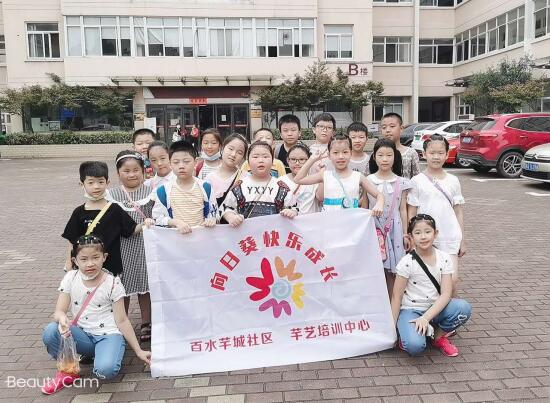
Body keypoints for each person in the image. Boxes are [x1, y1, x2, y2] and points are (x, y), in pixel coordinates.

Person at [41, 235, 151, 394]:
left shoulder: (113, 283)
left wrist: (139, 351)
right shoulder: (70, 278)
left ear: (104, 257)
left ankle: (107, 353)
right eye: (84, 259)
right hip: (83, 334)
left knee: (106, 371)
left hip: (108, 335)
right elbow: (59, 311)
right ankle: (68, 371)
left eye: (95, 257)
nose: (90, 263)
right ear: (75, 260)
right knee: (51, 331)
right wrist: (63, 318)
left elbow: (122, 320)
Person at [391, 214, 471, 357]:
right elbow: (396, 297)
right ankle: (407, 333)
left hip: (435, 308)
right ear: (411, 237)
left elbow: (446, 294)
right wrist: (391, 330)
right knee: (415, 346)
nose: (423, 237)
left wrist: (425, 318)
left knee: (463, 308)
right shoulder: (406, 262)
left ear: (435, 234)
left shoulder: (444, 258)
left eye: (427, 231)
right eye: (417, 233)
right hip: (411, 310)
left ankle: (438, 337)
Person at [62, 161, 146, 276]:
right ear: (82, 184)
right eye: (90, 182)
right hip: (86, 267)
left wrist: (145, 223)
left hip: (111, 268)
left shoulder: (115, 209)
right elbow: (71, 240)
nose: (96, 186)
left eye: (101, 182)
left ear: (107, 183)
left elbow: (131, 230)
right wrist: (68, 262)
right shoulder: (79, 212)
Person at [407, 134, 465, 297]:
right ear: (424, 154)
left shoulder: (453, 180)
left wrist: (462, 239)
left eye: (440, 153)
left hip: (449, 235)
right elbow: (412, 211)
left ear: (447, 154)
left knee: (452, 279)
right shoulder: (417, 181)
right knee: (429, 279)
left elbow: (458, 211)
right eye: (432, 153)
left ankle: (451, 311)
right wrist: (411, 236)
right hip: (424, 236)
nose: (436, 157)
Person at [108, 151, 154, 343]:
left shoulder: (151, 191)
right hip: (121, 246)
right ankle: (121, 322)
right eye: (126, 171)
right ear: (118, 173)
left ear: (143, 171)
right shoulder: (111, 195)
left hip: (145, 245)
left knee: (145, 286)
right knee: (122, 287)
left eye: (136, 170)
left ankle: (146, 323)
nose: (132, 174)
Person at [293, 134, 384, 216]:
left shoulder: (358, 176)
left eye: (345, 152)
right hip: (330, 224)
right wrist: (312, 159)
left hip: (351, 223)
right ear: (329, 155)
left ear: (351, 153)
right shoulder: (325, 175)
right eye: (335, 153)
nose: (341, 156)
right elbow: (298, 179)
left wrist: (379, 204)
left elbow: (379, 195)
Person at [366, 139, 411, 297]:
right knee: (376, 269)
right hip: (374, 230)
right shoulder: (368, 181)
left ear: (395, 156)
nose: (384, 159)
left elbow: (403, 209)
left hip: (395, 230)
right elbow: (365, 207)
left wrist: (405, 233)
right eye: (380, 155)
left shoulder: (401, 182)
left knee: (394, 271)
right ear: (374, 157)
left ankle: (393, 304)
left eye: (389, 155)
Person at [220, 141, 298, 226]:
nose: (261, 160)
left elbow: (294, 208)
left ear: (272, 161)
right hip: (245, 233)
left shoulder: (281, 187)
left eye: (265, 156)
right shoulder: (239, 185)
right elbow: (226, 208)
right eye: (255, 157)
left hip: (273, 232)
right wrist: (231, 217)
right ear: (248, 162)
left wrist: (291, 212)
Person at [152, 140, 217, 234]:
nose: (181, 166)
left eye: (186, 161)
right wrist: (175, 222)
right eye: (176, 162)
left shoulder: (205, 187)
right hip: (176, 239)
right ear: (170, 164)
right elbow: (157, 218)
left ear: (195, 162)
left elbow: (214, 212)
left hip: (202, 238)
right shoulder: (163, 191)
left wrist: (211, 219)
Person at [205, 133, 249, 208]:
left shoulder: (246, 178)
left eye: (239, 152)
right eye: (231, 149)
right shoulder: (209, 178)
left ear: (243, 158)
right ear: (222, 149)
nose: (233, 154)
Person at [279, 144, 320, 215]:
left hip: (310, 221)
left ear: (309, 160)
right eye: (293, 159)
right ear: (287, 160)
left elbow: (321, 198)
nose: (297, 163)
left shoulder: (315, 180)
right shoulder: (280, 181)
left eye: (302, 159)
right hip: (287, 221)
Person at [380, 113, 420, 179]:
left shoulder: (411, 153)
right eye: (384, 127)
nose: (387, 130)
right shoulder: (377, 153)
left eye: (392, 126)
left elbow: (416, 179)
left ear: (401, 128)